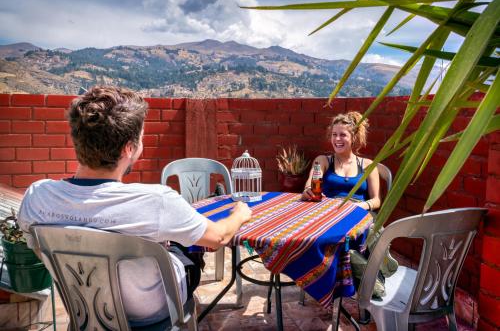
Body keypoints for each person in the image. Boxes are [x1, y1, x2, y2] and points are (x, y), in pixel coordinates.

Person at [18, 86, 252, 327]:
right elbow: (220, 237)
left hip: (86, 308)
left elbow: (41, 251)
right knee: (186, 249)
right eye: (141, 138)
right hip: (154, 314)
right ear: (128, 148)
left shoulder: (38, 196)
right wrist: (240, 213)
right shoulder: (157, 201)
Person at [302, 111, 381, 212]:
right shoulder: (322, 161)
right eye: (334, 134)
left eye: (343, 135)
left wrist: (357, 207)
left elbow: (376, 200)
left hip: (358, 212)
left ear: (353, 138)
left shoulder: (368, 165)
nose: (337, 139)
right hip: (330, 212)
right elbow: (310, 184)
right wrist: (308, 190)